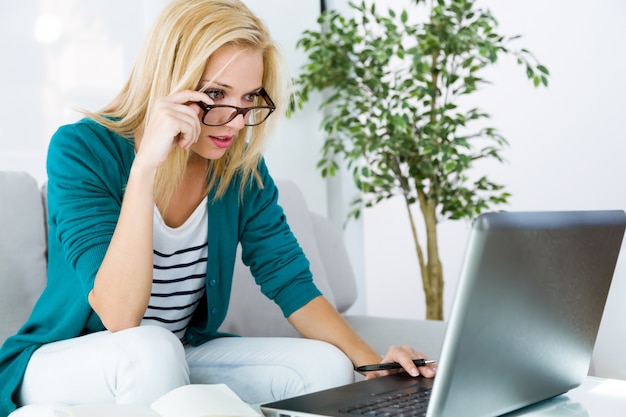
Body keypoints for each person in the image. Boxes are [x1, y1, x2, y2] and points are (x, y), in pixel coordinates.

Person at [0, 0, 435, 415]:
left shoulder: (240, 168)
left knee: (326, 365)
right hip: (65, 361)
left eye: (249, 99)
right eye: (215, 94)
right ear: (170, 81)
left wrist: (376, 366)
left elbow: (291, 281)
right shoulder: (82, 148)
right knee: (151, 346)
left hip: (179, 349)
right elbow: (118, 315)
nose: (236, 121)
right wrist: (146, 166)